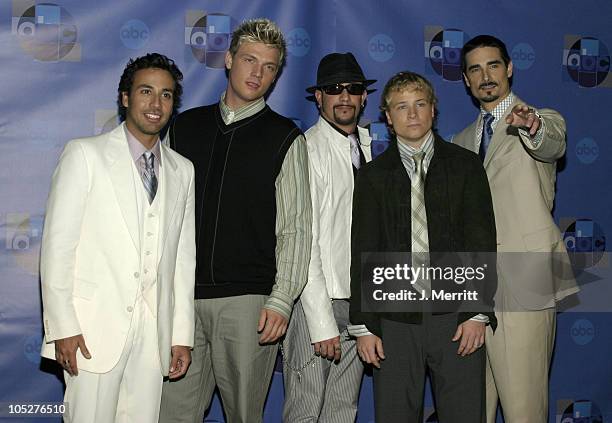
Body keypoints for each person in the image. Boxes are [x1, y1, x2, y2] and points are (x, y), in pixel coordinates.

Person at [159, 18, 312, 423]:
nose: (257, 73)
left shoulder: (285, 138)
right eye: (249, 59)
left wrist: (281, 300)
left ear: (276, 75)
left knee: (245, 416)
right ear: (228, 60)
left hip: (249, 305)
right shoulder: (183, 127)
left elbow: (296, 228)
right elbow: (161, 217)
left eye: (269, 66)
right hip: (183, 302)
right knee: (170, 414)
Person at [40, 53, 195, 422]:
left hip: (154, 336)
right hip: (92, 332)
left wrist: (180, 334)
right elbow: (57, 249)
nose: (156, 104)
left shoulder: (182, 170)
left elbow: (183, 261)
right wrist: (63, 327)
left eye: (166, 95)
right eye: (146, 91)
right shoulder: (84, 155)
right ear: (125, 97)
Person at [349, 71, 497, 422]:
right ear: (387, 116)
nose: (412, 114)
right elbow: (362, 250)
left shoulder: (466, 166)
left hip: (456, 318)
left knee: (464, 414)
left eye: (419, 104)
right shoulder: (372, 177)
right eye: (401, 107)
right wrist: (364, 325)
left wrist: (477, 313)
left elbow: (481, 242)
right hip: (393, 320)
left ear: (434, 110)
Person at [453, 35, 579, 423]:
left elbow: (550, 143)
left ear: (509, 68)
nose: (485, 75)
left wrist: (532, 125)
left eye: (493, 65)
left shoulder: (543, 117)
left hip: (526, 280)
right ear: (465, 80)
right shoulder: (459, 141)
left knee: (524, 410)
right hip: (473, 289)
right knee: (474, 411)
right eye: (475, 68)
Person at [282, 52, 374, 422]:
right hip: (316, 301)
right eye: (334, 89)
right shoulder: (306, 148)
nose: (345, 97)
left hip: (359, 301)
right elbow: (305, 242)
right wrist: (320, 321)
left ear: (364, 97)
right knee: (305, 407)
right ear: (318, 97)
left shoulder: (368, 146)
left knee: (342, 409)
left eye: (353, 89)